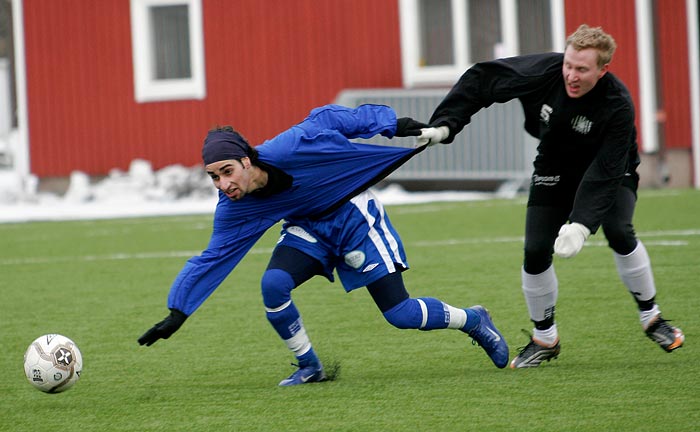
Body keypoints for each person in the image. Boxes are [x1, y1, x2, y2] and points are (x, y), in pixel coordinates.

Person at [138, 103, 509, 385]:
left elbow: (332, 119)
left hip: (353, 218)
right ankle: (309, 365)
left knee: (401, 315)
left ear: (247, 161)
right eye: (213, 177)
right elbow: (213, 258)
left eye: (227, 172)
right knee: (273, 285)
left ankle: (474, 320)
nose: (222, 184)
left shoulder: (290, 147)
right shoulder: (235, 208)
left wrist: (393, 125)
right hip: (308, 229)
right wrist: (178, 311)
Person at [420, 24, 684, 368]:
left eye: (582, 69)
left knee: (619, 230)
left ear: (603, 70)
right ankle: (545, 338)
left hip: (609, 168)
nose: (571, 76)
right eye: (569, 65)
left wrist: (581, 225)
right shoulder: (544, 72)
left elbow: (605, 172)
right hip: (555, 161)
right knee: (534, 250)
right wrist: (446, 124)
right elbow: (484, 79)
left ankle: (652, 318)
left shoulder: (617, 104)